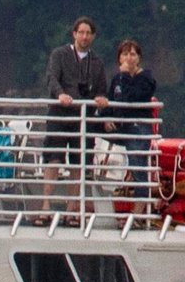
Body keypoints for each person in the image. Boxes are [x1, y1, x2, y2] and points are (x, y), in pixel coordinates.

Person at [38, 16, 107, 223]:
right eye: (81, 32)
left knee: (78, 163)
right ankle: (45, 205)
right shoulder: (60, 54)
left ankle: (72, 208)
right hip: (60, 113)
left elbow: (102, 89)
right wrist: (60, 94)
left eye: (88, 33)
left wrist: (101, 99)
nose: (84, 36)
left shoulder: (96, 62)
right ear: (74, 34)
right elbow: (51, 78)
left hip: (83, 117)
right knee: (54, 159)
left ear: (93, 37)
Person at [103, 38, 158, 217]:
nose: (128, 58)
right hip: (121, 126)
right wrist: (107, 118)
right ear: (119, 58)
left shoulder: (146, 78)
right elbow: (112, 100)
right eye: (125, 54)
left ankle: (139, 210)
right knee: (92, 131)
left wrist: (126, 76)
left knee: (138, 168)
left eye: (132, 54)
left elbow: (132, 98)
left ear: (139, 58)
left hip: (138, 127)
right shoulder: (116, 79)